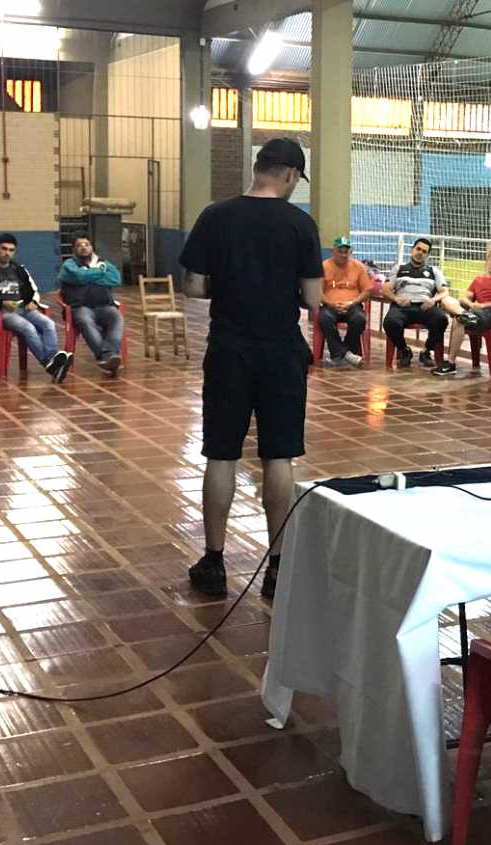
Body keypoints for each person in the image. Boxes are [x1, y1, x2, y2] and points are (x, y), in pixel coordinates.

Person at [179, 137, 323, 599]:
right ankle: (277, 567)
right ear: (290, 175)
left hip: (228, 349)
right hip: (280, 351)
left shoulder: (215, 215)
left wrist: (231, 285)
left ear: (258, 167)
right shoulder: (300, 224)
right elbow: (313, 298)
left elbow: (194, 286)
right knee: (278, 456)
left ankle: (214, 562)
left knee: (221, 453)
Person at [0, 233, 72, 382]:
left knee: (48, 323)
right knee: (28, 328)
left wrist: (34, 301)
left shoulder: (20, 269)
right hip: (2, 313)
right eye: (4, 249)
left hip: (24, 309)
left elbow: (34, 290)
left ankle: (52, 360)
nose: (7, 253)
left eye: (11, 250)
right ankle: (48, 363)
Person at [431, 246, 491, 376]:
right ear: (487, 260)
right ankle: (464, 315)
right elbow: (464, 298)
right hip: (474, 312)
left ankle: (450, 363)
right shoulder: (478, 279)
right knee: (446, 301)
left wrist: (483, 306)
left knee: (458, 320)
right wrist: (471, 304)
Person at [58, 235, 126, 375]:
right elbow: (78, 276)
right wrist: (100, 273)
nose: (83, 247)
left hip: (104, 306)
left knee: (116, 317)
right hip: (81, 307)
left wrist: (87, 277)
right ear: (73, 249)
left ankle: (107, 356)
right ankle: (108, 356)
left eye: (87, 244)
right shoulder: (69, 265)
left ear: (92, 248)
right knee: (85, 320)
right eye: (79, 245)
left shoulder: (102, 262)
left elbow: (116, 279)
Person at [380, 238, 450, 368]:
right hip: (402, 307)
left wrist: (433, 300)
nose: (420, 253)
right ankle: (404, 350)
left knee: (441, 319)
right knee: (390, 322)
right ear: (412, 250)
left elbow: (445, 291)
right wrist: (396, 299)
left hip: (425, 306)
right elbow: (385, 289)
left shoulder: (433, 271)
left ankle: (427, 351)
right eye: (418, 249)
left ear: (427, 255)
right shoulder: (399, 268)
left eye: (424, 251)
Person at [317, 235, 372, 367]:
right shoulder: (323, 266)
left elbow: (367, 291)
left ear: (350, 252)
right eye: (340, 251)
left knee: (359, 319)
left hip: (353, 305)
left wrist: (352, 302)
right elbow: (317, 291)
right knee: (324, 318)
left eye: (346, 252)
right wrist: (330, 303)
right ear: (333, 251)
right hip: (330, 306)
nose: (343, 255)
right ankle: (347, 355)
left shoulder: (359, 266)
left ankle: (341, 353)